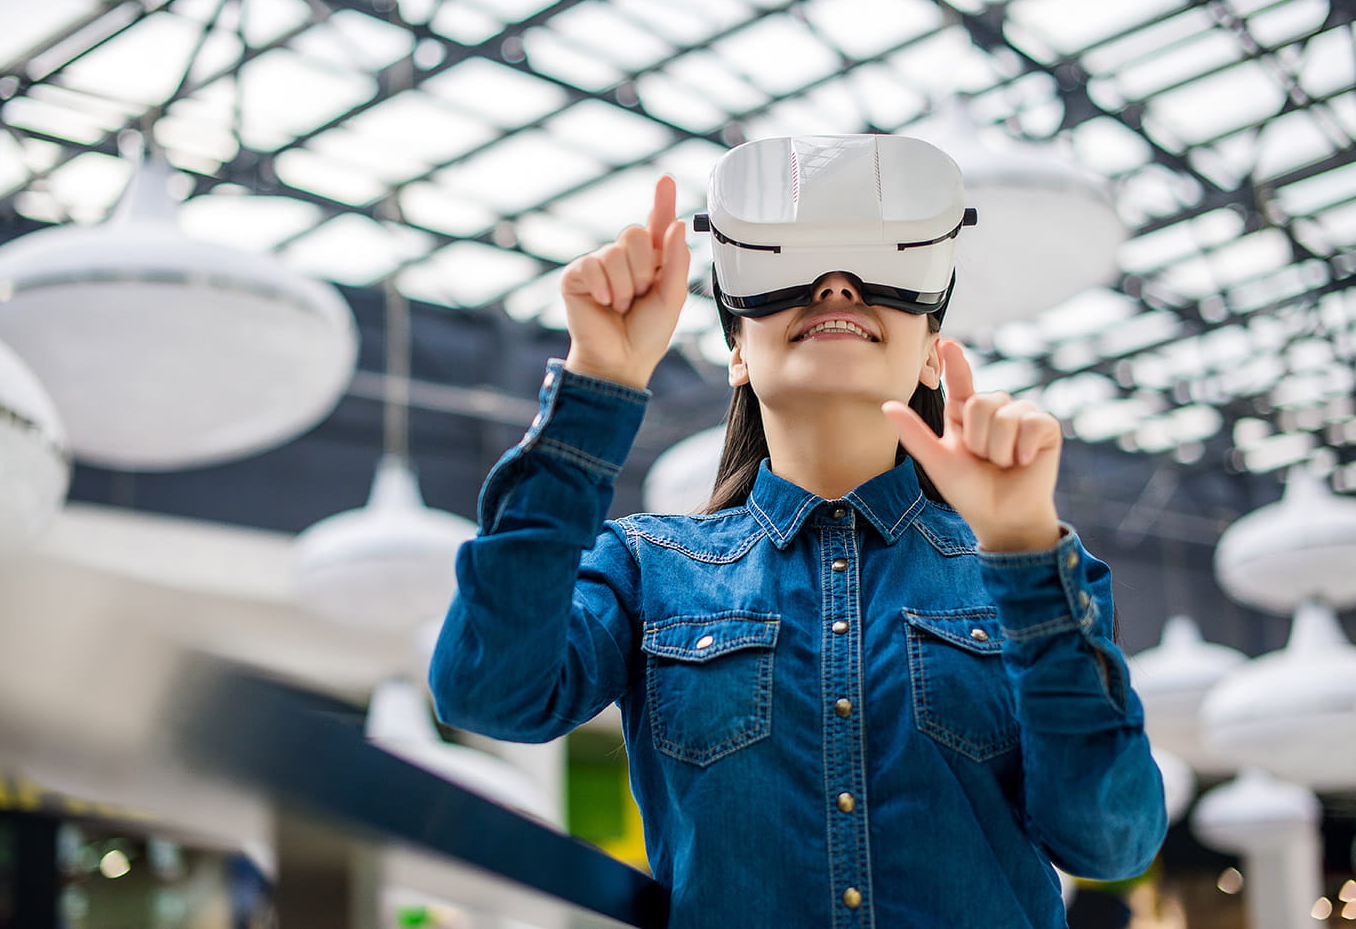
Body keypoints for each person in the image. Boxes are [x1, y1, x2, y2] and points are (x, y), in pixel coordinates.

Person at [430, 135, 1166, 928]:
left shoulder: (1035, 576)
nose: (837, 285)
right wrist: (596, 383)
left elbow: (1111, 839)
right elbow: (488, 690)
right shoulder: (648, 569)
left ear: (933, 356)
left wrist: (1024, 553)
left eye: (876, 269)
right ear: (737, 353)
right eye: (794, 269)